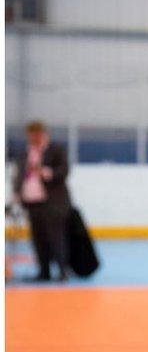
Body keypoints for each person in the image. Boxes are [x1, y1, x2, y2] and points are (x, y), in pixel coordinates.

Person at [12, 121, 72, 282]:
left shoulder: (55, 150)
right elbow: (20, 175)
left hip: (53, 202)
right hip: (32, 202)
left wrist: (46, 172)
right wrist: (17, 193)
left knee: (56, 237)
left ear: (44, 134)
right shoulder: (25, 153)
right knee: (38, 238)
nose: (34, 138)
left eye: (37, 135)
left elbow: (64, 170)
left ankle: (62, 270)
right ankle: (43, 271)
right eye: (31, 135)